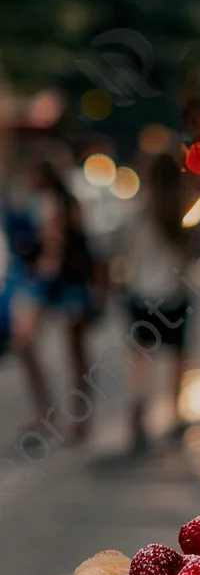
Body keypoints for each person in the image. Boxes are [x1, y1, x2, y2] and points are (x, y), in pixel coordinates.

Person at [116, 154, 196, 453]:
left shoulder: (137, 211)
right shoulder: (183, 211)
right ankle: (175, 413)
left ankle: (139, 405)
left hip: (140, 295)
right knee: (176, 355)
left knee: (141, 357)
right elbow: (194, 252)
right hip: (174, 294)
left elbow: (122, 251)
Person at [11, 161, 97, 439]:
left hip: (64, 282)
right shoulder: (47, 203)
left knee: (73, 350)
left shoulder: (57, 204)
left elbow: (54, 250)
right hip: (61, 283)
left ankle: (61, 414)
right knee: (67, 350)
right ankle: (60, 413)